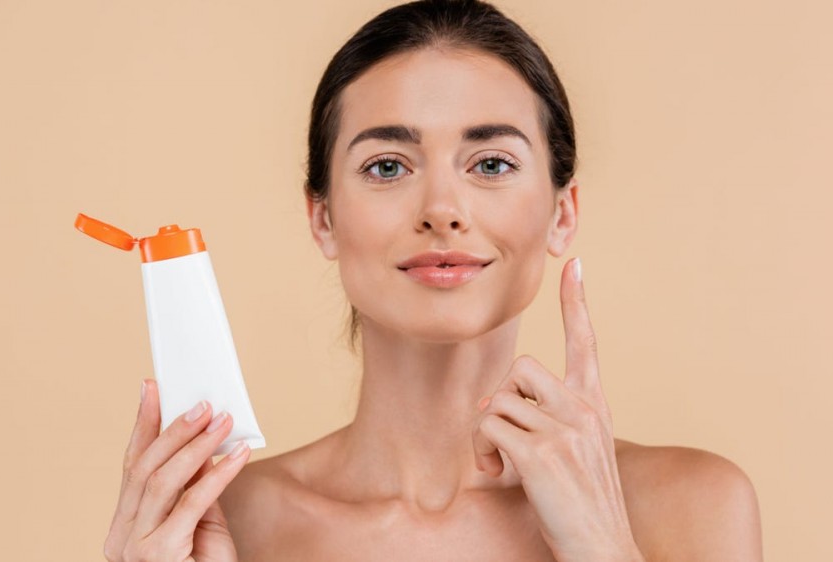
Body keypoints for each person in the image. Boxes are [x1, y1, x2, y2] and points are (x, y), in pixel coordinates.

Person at [102, 1, 763, 560]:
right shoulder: (220, 521)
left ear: (562, 214)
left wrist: (603, 545)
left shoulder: (694, 508)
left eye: (493, 163)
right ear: (323, 218)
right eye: (388, 167)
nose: (442, 209)